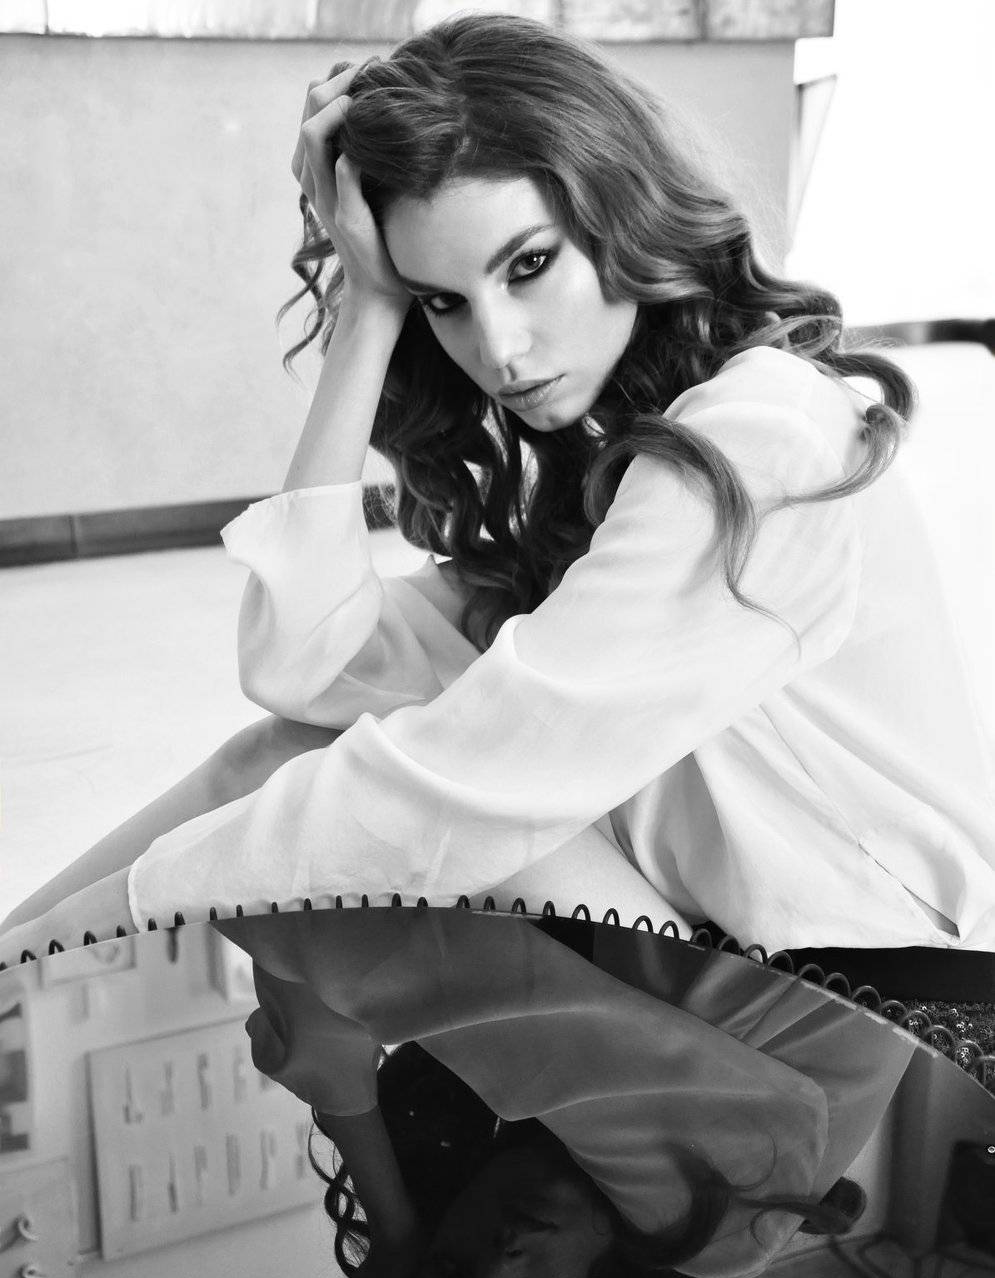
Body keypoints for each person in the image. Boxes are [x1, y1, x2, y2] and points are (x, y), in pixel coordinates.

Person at [3, 12, 993, 964]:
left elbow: (450, 791)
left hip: (882, 995)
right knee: (284, 755)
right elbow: (303, 667)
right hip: (742, 947)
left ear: (620, 210)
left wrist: (121, 911)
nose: (498, 350)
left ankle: (28, 970)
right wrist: (369, 305)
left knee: (387, 798)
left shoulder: (759, 438)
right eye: (442, 300)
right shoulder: (623, 463)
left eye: (528, 265)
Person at [218, 904, 911, 1278]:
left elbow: (302, 915)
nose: (502, 1259)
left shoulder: (560, 1093)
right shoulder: (721, 1231)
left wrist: (397, 1238)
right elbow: (306, 914)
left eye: (450, 1267)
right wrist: (396, 1236)